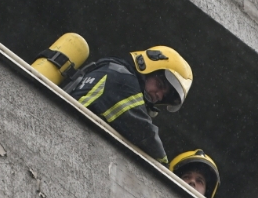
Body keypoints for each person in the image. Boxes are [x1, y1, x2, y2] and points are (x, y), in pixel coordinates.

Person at [62, 46, 193, 164]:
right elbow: (146, 136)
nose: (159, 95)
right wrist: (164, 168)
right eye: (159, 85)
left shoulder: (112, 69)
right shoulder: (122, 80)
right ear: (145, 67)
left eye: (163, 96)